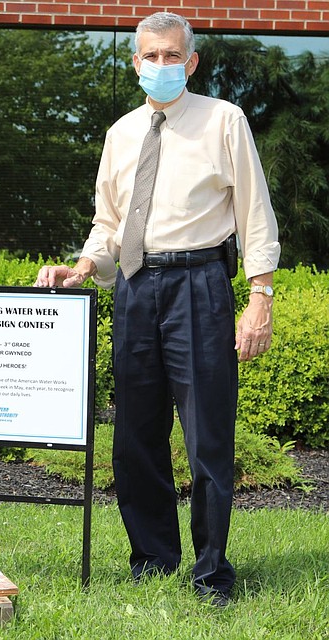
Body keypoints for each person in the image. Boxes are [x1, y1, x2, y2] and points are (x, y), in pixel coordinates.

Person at [35, 12, 279, 606]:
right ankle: (152, 558)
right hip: (137, 290)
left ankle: (212, 572)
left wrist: (259, 299)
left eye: (173, 56)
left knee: (206, 436)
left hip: (201, 286)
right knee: (136, 434)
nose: (161, 66)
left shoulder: (224, 120)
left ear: (190, 63)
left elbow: (254, 212)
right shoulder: (120, 134)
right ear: (136, 62)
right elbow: (109, 222)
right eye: (151, 56)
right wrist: (84, 267)